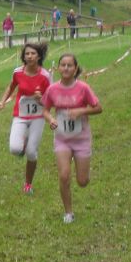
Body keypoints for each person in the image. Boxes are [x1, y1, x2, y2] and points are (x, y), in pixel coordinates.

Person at [41, 53, 103, 223]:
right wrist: (51, 119)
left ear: (75, 68)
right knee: (64, 175)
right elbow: (45, 109)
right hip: (62, 138)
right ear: (58, 68)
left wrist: (81, 111)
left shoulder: (83, 88)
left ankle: (84, 173)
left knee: (82, 181)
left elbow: (98, 108)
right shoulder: (52, 89)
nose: (66, 68)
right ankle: (68, 212)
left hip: (81, 137)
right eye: (63, 65)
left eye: (69, 65)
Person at [0, 42, 52, 194]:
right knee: (15, 149)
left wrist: (42, 99)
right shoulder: (17, 72)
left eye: (33, 53)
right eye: (27, 54)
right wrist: (2, 102)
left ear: (39, 56)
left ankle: (28, 184)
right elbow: (11, 86)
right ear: (23, 57)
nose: (29, 56)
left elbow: (51, 97)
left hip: (38, 116)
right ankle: (23, 144)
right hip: (20, 114)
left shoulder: (45, 76)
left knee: (32, 152)